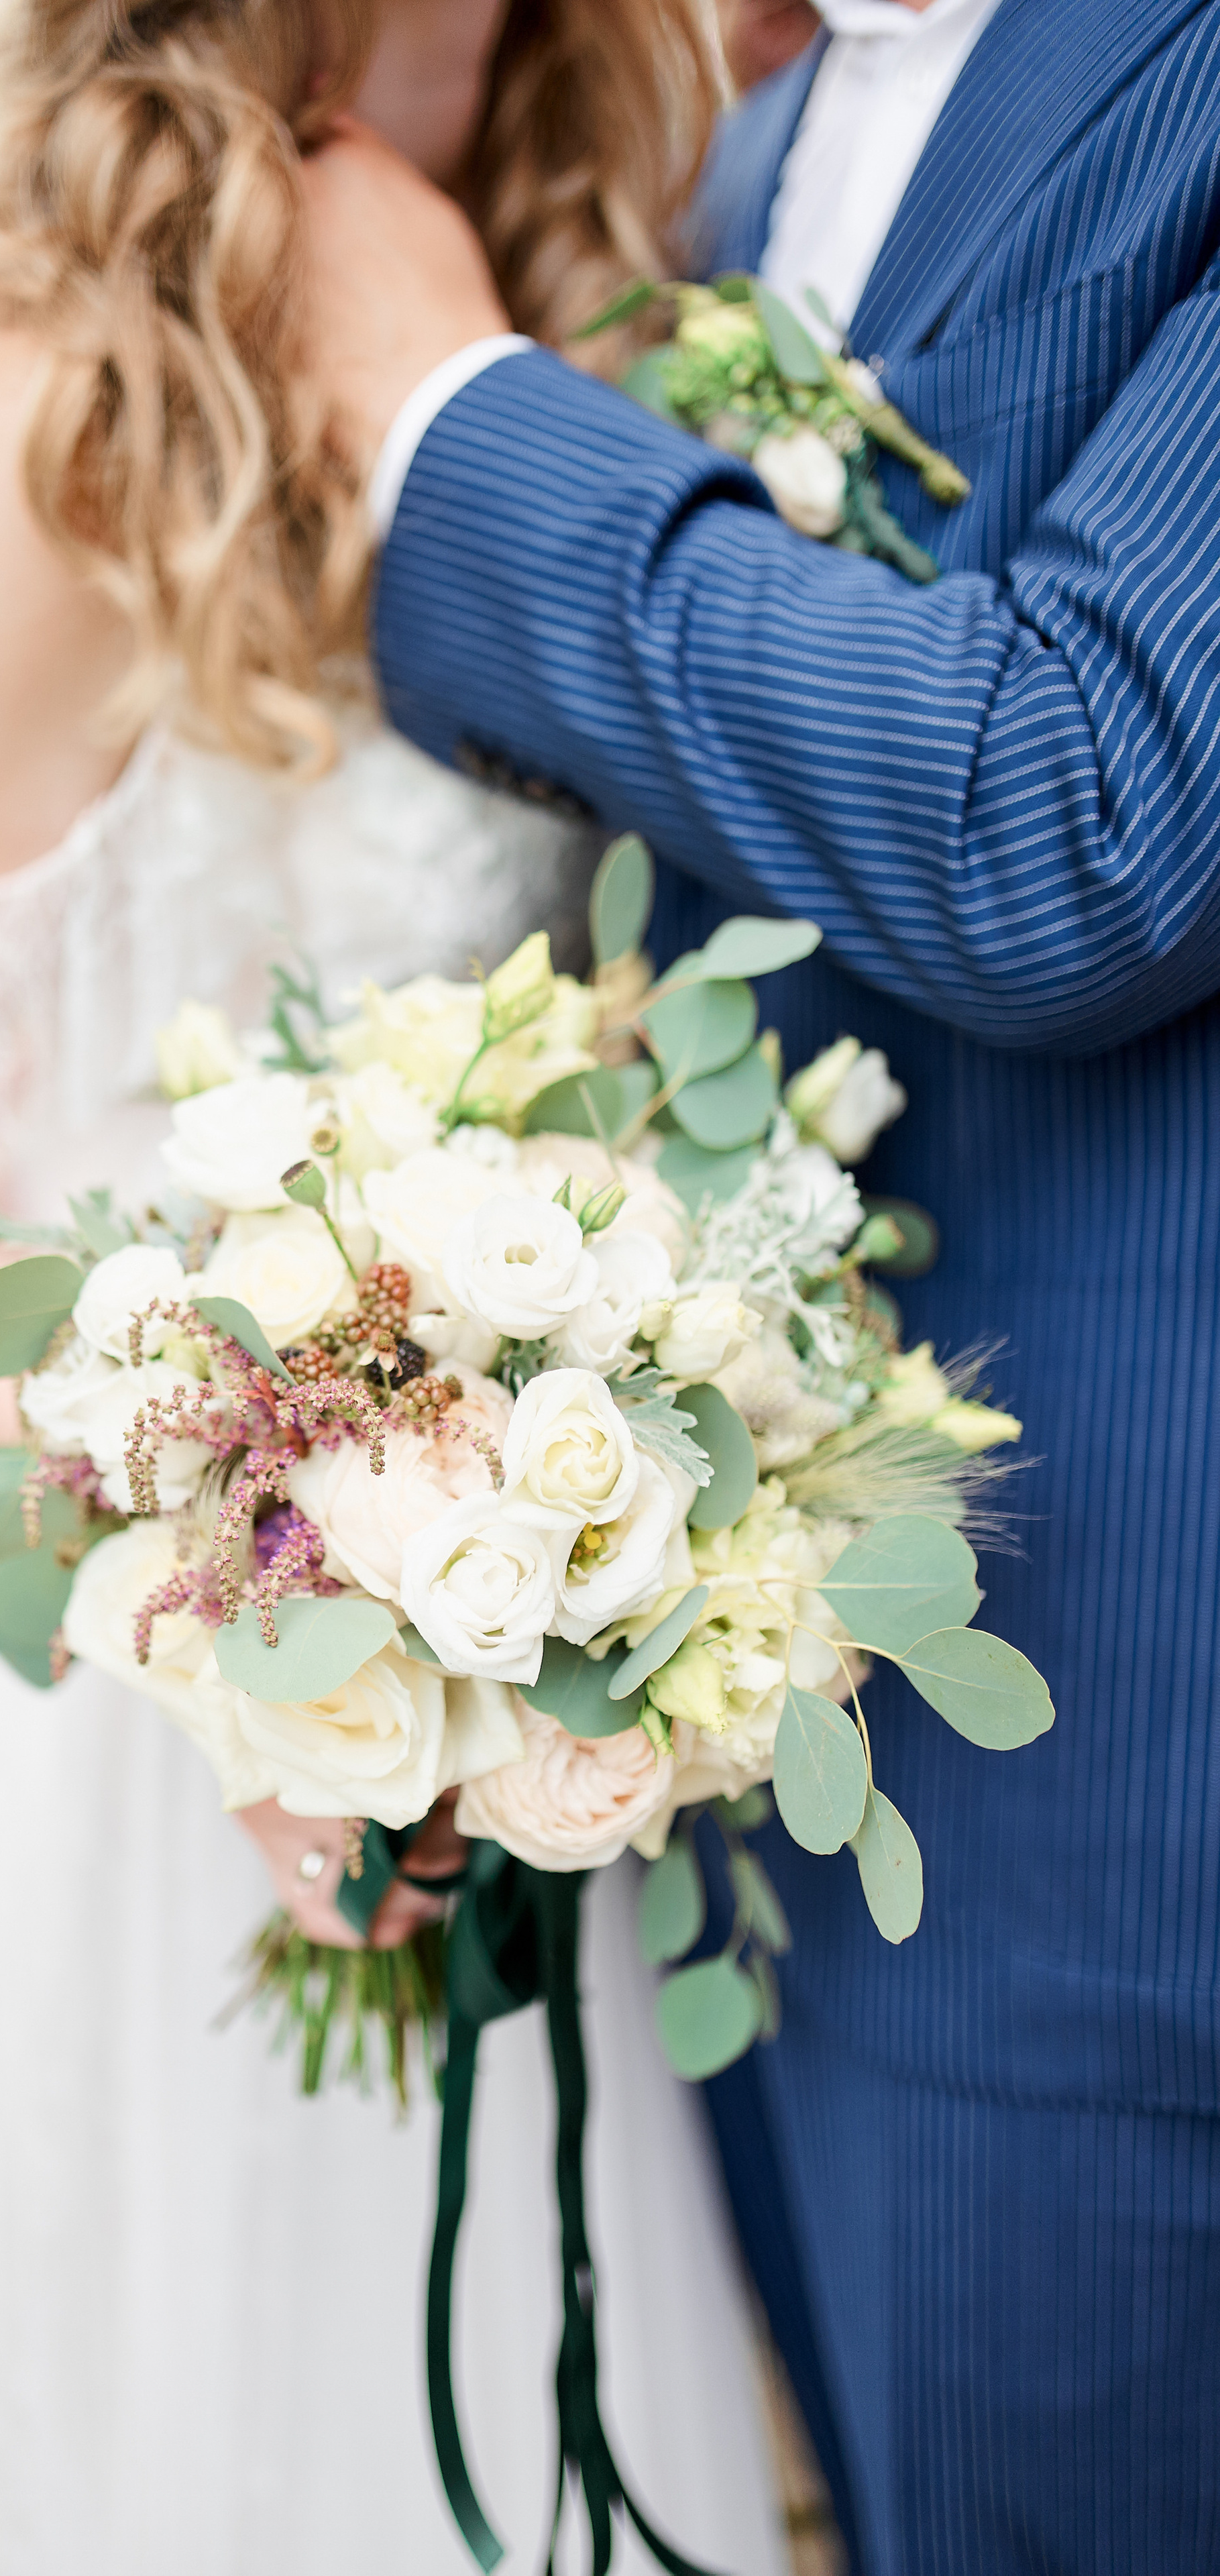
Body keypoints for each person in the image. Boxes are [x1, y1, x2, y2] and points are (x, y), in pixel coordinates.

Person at [0, 5, 794, 2571]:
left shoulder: (622, 286)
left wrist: (540, 1524)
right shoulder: (63, 400)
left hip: (498, 1668)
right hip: (96, 1659)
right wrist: (257, 1543)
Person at [292, 2, 1220, 2571]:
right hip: (756, 1788)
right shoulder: (751, 137)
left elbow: (1071, 806)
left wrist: (448, 406)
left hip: (1125, 1824)